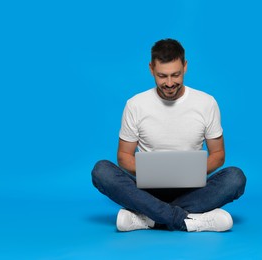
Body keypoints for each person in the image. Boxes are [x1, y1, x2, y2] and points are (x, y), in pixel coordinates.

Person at [91, 38, 246, 232]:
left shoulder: (207, 103)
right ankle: (187, 220)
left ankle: (149, 218)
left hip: (193, 189)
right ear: (151, 69)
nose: (170, 83)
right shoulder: (135, 104)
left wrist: (191, 172)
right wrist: (152, 172)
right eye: (162, 76)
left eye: (176, 75)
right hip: (147, 189)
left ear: (185, 67)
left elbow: (218, 154)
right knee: (101, 171)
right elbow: (123, 155)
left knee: (235, 178)